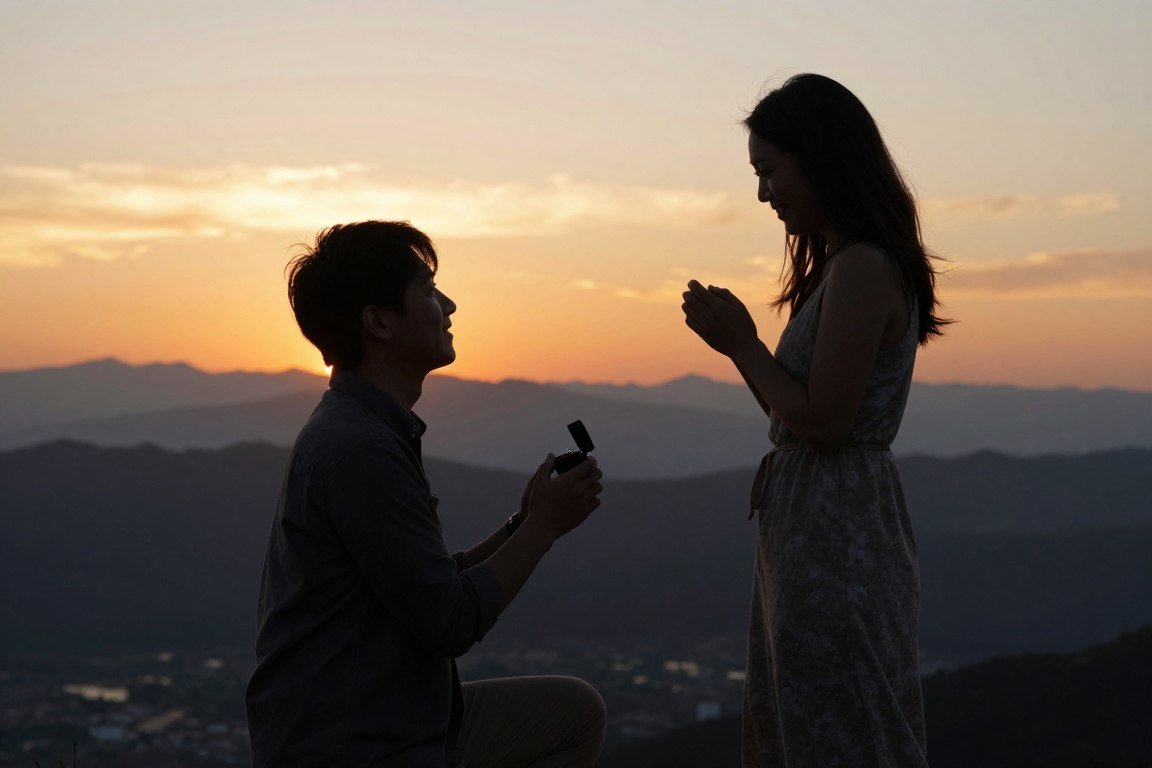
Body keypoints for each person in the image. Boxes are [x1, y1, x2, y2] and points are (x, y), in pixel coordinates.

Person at [245, 220, 607, 767]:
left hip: (390, 713)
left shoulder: (364, 428)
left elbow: (424, 582)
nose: (451, 304)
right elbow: (450, 620)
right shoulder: (359, 448)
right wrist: (543, 529)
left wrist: (521, 522)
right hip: (353, 741)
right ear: (379, 321)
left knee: (573, 713)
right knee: (569, 721)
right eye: (430, 291)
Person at [681, 74, 948, 767]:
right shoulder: (839, 266)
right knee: (811, 717)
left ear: (822, 158)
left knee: (845, 722)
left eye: (770, 171)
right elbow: (798, 415)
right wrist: (744, 352)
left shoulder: (861, 269)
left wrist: (743, 344)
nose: (764, 193)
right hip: (811, 521)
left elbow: (825, 426)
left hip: (837, 530)